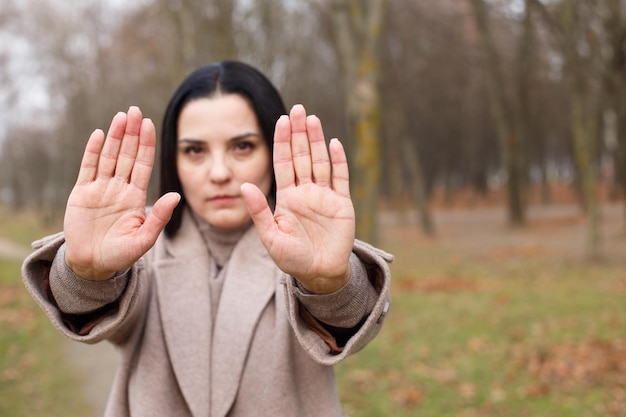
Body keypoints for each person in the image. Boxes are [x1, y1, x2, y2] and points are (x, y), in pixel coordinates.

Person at [22, 60, 392, 417]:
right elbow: (98, 312)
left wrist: (328, 283)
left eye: (242, 146)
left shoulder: (310, 249)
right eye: (195, 150)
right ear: (173, 159)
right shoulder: (138, 245)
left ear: (275, 151)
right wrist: (87, 273)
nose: (218, 172)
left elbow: (350, 318)